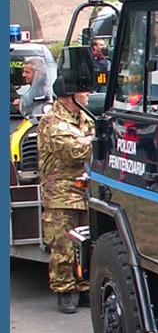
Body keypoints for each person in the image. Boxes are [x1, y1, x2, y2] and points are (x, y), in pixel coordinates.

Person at [37, 77, 95, 313]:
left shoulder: (85, 117)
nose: (88, 95)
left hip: (84, 191)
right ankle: (64, 290)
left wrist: (86, 139)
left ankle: (84, 288)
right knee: (62, 246)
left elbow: (92, 140)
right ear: (71, 96)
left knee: (86, 245)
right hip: (61, 194)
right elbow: (72, 152)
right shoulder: (52, 121)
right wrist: (90, 141)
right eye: (84, 92)